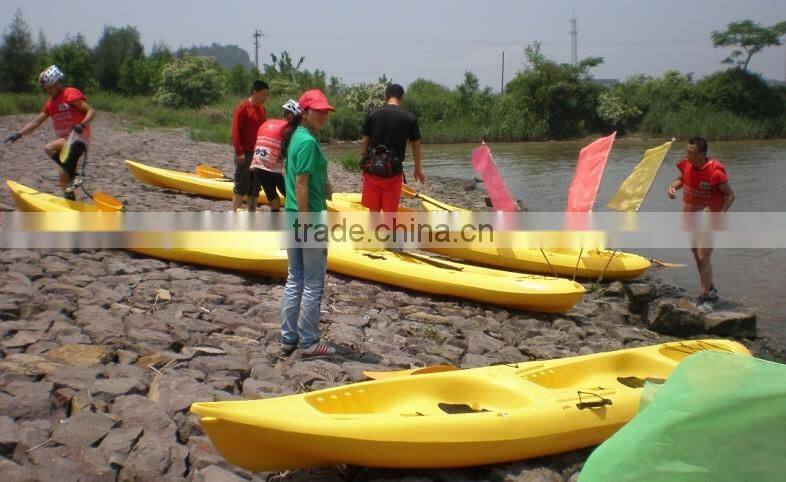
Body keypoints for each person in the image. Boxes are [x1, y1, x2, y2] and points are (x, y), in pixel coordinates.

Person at [279, 89, 336, 357]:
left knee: (295, 279)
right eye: (318, 110)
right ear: (305, 112)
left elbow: (300, 179)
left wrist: (324, 185)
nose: (324, 115)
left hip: (291, 215)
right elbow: (301, 183)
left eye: (326, 111)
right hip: (307, 218)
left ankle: (288, 338)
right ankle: (310, 342)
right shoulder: (307, 142)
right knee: (313, 282)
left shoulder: (296, 138)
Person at [3, 65, 96, 200]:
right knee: (63, 182)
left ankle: (74, 173)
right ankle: (72, 203)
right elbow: (36, 122)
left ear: (58, 83)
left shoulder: (70, 93)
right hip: (66, 143)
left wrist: (82, 125)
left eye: (50, 87)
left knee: (48, 148)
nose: (47, 91)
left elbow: (91, 112)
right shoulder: (50, 104)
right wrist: (19, 134)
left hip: (77, 137)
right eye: (45, 89)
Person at [667, 137, 735, 306]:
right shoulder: (688, 165)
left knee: (703, 255)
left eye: (690, 152)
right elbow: (682, 179)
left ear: (701, 154)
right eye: (686, 151)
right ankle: (710, 289)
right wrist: (673, 187)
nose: (686, 155)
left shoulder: (715, 172)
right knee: (697, 255)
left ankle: (704, 295)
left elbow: (730, 195)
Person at [359, 83, 425, 212]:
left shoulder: (372, 114)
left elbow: (364, 141)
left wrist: (363, 161)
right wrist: (417, 169)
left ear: (386, 97)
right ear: (401, 98)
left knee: (373, 211)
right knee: (390, 213)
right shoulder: (410, 118)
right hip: (393, 171)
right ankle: (387, 231)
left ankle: (374, 231)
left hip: (373, 168)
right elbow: (416, 147)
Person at [248, 99, 301, 212]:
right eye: (298, 118)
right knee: (292, 196)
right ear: (291, 116)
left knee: (272, 196)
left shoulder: (267, 123)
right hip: (274, 167)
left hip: (257, 164)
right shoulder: (290, 128)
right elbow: (290, 152)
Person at [231, 80, 269, 211]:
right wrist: (239, 152)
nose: (265, 98)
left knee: (255, 186)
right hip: (245, 154)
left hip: (258, 154)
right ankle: (234, 211)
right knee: (241, 184)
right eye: (263, 94)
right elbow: (235, 131)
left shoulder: (262, 110)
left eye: (267, 95)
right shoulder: (243, 108)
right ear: (255, 93)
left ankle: (251, 213)